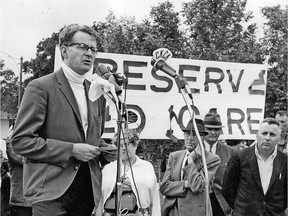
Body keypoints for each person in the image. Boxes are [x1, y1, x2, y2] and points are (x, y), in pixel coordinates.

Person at [11, 24, 108, 216]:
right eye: (82, 47)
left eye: (93, 49)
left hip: (87, 191)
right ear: (64, 50)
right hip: (50, 192)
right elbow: (21, 141)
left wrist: (110, 150)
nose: (89, 53)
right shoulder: (40, 87)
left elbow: (92, 140)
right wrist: (71, 150)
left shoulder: (98, 92)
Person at [222, 118, 287, 215]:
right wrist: (241, 207)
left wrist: (276, 208)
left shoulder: (285, 160)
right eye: (264, 133)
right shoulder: (239, 157)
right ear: (257, 135)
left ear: (279, 138)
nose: (267, 138)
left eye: (272, 134)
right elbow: (227, 188)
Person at [160, 118, 221, 216]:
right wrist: (185, 185)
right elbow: (164, 187)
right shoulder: (175, 156)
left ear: (202, 138)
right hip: (173, 211)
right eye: (187, 134)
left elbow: (197, 186)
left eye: (195, 135)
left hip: (195, 212)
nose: (190, 138)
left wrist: (191, 160)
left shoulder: (211, 159)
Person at [100, 129, 161, 216]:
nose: (124, 148)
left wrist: (128, 182)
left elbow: (152, 192)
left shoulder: (146, 167)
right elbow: (102, 194)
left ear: (135, 146)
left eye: (127, 144)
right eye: (120, 145)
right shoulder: (109, 168)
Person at [203, 113, 234, 216]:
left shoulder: (229, 152)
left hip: (222, 204)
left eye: (216, 130)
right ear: (203, 130)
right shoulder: (195, 150)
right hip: (199, 202)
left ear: (220, 131)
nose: (213, 133)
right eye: (209, 129)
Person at [6, 125, 32, 216]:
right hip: (20, 202)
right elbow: (21, 159)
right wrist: (9, 139)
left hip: (32, 201)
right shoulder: (13, 152)